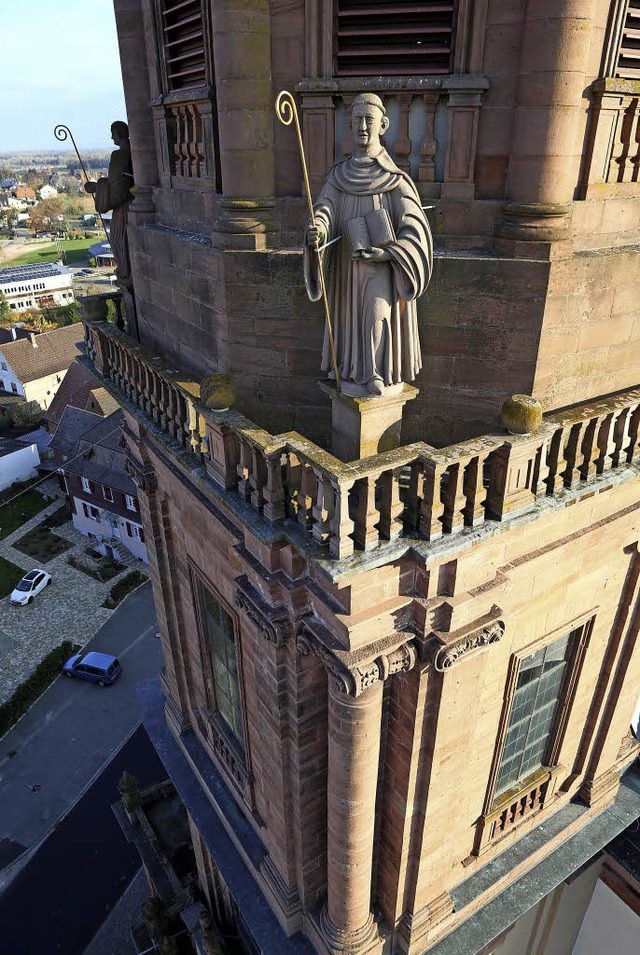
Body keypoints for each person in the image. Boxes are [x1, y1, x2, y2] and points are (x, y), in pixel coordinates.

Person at [304, 93, 433, 397]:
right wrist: (318, 231)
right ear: (349, 125)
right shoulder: (338, 176)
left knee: (377, 315)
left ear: (383, 125)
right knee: (350, 319)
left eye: (369, 119)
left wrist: (388, 252)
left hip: (382, 269)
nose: (363, 126)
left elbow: (414, 226)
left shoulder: (394, 178)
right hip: (347, 269)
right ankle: (352, 369)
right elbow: (325, 209)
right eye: (357, 120)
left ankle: (377, 372)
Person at [85, 121, 134, 288]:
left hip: (125, 210)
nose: (111, 137)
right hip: (134, 205)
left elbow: (118, 190)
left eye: (112, 133)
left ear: (118, 134)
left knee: (119, 241)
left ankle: (127, 274)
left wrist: (96, 188)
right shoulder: (136, 152)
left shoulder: (119, 155)